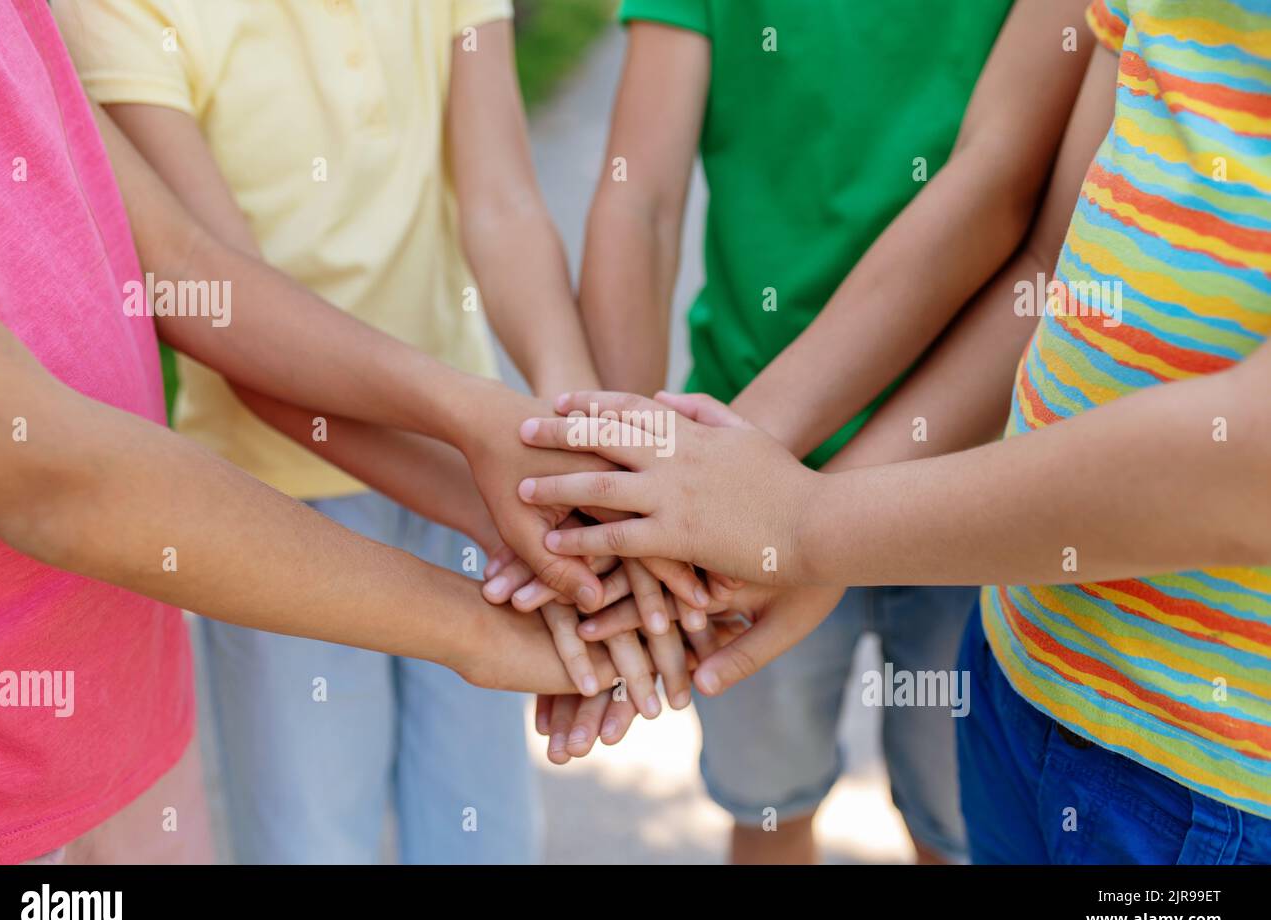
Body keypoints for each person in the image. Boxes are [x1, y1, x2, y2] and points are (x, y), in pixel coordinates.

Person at [517, 0, 1271, 863]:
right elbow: (1047, 260)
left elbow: (1006, 195)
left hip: (1000, 539)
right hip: (1024, 659)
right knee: (771, 803)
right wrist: (642, 497)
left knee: (935, 822)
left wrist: (786, 521)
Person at [0, 0, 641, 865]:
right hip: (252, 527)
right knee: (314, 839)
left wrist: (566, 471)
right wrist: (522, 513)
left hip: (126, 682)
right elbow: (62, 473)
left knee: (484, 832)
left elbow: (186, 267)